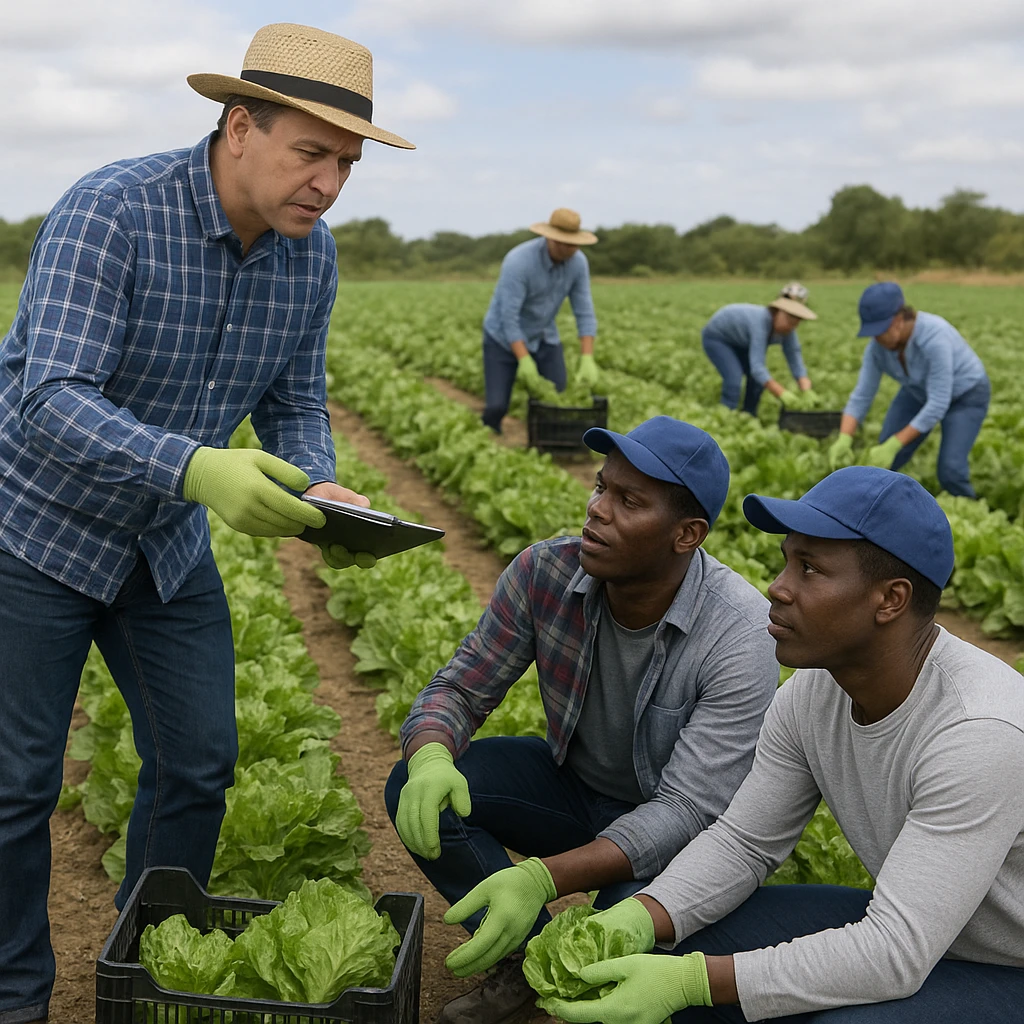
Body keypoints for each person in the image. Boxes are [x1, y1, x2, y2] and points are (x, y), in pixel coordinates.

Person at [0, 23, 413, 1023]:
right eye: (308, 152)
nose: (327, 182)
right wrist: (193, 464)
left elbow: (297, 403)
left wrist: (318, 486)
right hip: (36, 533)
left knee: (198, 761)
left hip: (164, 546)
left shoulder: (311, 262)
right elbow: (48, 396)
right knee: (15, 787)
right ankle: (15, 995)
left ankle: (149, 973)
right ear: (238, 125)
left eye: (345, 163)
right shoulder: (112, 211)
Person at [540, 466, 1024, 1024]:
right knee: (671, 941)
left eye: (811, 569)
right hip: (928, 933)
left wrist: (695, 983)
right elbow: (744, 842)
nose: (778, 586)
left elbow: (894, 955)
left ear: (890, 599)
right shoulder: (813, 694)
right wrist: (640, 917)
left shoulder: (979, 730)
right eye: (788, 559)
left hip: (1006, 963)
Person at [384, 416, 779, 1024]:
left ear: (687, 535)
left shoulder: (738, 633)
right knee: (417, 786)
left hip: (675, 838)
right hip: (574, 788)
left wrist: (543, 878)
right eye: (601, 487)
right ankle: (523, 955)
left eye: (629, 501)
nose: (597, 510)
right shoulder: (546, 572)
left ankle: (556, 947)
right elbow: (459, 690)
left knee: (613, 969)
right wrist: (431, 753)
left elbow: (689, 811)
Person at [828, 282, 990, 499]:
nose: (876, 338)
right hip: (917, 391)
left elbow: (938, 403)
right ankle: (876, 509)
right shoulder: (877, 349)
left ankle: (971, 509)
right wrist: (844, 437)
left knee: (951, 469)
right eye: (872, 332)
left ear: (898, 320)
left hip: (966, 395)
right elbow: (862, 395)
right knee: (883, 462)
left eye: (881, 331)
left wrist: (895, 443)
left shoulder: (935, 337)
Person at [480, 208, 600, 433]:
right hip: (502, 338)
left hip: (544, 335)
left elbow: (584, 310)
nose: (569, 249)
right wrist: (524, 359)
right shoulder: (519, 262)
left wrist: (587, 356)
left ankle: (546, 444)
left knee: (555, 398)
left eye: (573, 244)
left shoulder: (578, 263)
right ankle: (489, 434)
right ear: (549, 238)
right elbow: (509, 317)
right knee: (497, 406)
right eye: (563, 243)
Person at [701, 283, 817, 416]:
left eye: (796, 322)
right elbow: (757, 367)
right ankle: (726, 415)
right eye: (789, 320)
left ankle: (749, 415)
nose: (791, 326)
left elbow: (794, 356)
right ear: (777, 312)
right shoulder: (760, 323)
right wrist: (781, 392)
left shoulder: (788, 331)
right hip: (718, 338)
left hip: (741, 342)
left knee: (757, 382)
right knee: (733, 379)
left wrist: (806, 387)